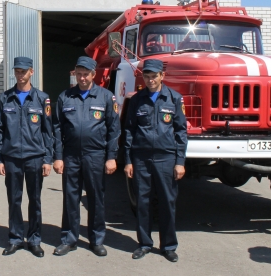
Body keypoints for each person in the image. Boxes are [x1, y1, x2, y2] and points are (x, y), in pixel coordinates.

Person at [52, 56, 121, 257]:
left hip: (95, 155)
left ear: (93, 74)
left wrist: (111, 157)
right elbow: (57, 129)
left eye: (86, 74)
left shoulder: (106, 97)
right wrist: (58, 156)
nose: (82, 78)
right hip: (71, 155)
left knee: (96, 198)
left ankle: (96, 239)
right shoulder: (65, 97)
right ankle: (69, 239)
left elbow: (114, 129)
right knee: (70, 198)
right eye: (79, 74)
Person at [124, 58, 188, 263]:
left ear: (162, 76)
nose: (150, 80)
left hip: (166, 158)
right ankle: (144, 243)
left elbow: (181, 131)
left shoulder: (174, 99)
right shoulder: (136, 100)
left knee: (167, 202)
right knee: (143, 202)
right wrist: (128, 160)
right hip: (141, 158)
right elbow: (129, 131)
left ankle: (168, 246)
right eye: (147, 76)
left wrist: (180, 162)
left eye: (154, 76)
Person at [0, 57, 53, 258]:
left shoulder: (42, 98)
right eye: (17, 71)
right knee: (14, 200)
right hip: (11, 157)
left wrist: (48, 159)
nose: (20, 75)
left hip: (34, 157)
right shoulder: (5, 98)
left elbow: (48, 131)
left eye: (24, 71)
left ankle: (35, 239)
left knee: (35, 200)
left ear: (31, 72)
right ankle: (15, 238)